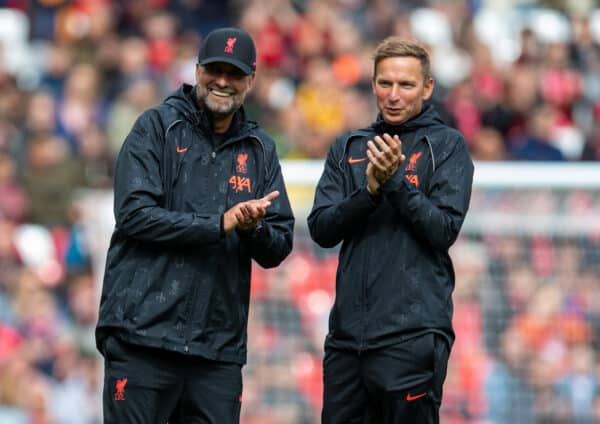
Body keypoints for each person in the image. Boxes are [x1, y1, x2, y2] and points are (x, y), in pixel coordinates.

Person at [95, 27, 294, 423]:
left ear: (250, 80)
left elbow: (279, 244)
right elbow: (133, 215)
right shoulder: (155, 127)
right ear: (197, 69)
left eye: (234, 73)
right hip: (141, 339)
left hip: (216, 352)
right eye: (214, 70)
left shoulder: (260, 150)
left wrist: (253, 228)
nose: (222, 81)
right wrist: (219, 224)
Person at [308, 37, 474, 423]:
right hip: (347, 342)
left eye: (406, 85)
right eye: (385, 83)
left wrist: (394, 183)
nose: (393, 95)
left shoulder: (447, 146)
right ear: (373, 83)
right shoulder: (349, 146)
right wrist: (368, 191)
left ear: (427, 88)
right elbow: (321, 228)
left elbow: (443, 229)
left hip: (412, 337)